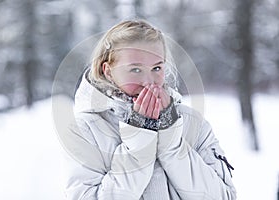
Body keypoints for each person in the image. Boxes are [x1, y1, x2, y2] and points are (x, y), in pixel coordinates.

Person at [60, 19, 237, 199]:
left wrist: (172, 142)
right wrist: (139, 138)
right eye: (135, 70)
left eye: (156, 68)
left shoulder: (192, 122)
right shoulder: (86, 129)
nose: (149, 81)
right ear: (108, 71)